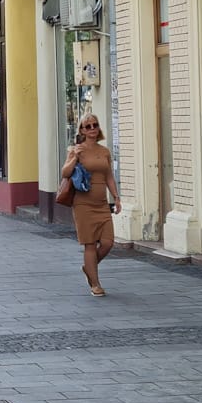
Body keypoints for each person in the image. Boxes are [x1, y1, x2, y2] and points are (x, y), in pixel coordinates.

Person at [61, 114, 121, 297]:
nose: (92, 128)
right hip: (83, 204)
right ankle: (95, 284)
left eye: (95, 125)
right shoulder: (76, 150)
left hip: (102, 204)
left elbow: (108, 176)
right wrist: (74, 157)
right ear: (82, 131)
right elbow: (65, 173)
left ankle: (89, 267)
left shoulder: (104, 151)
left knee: (107, 243)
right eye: (88, 126)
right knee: (89, 244)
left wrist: (116, 197)